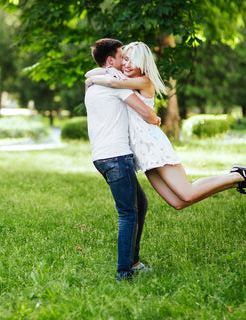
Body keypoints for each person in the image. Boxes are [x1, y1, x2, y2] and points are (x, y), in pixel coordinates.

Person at [85, 41, 246, 210]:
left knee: (187, 194)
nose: (127, 65)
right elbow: (91, 73)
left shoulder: (143, 81)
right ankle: (236, 180)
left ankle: (235, 175)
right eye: (125, 59)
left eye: (134, 61)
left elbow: (108, 81)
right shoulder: (125, 80)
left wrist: (95, 79)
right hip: (141, 151)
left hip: (152, 144)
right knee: (177, 203)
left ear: (144, 64)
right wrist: (98, 74)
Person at [84, 38, 161, 281]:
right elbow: (147, 113)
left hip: (101, 157)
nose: (124, 61)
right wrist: (155, 118)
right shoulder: (117, 85)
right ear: (110, 61)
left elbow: (91, 74)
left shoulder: (92, 86)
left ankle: (134, 262)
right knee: (128, 213)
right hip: (117, 156)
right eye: (121, 56)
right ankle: (124, 272)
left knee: (141, 203)